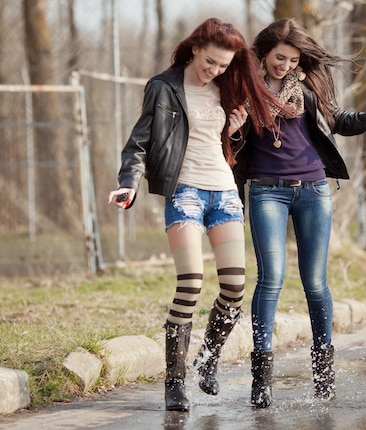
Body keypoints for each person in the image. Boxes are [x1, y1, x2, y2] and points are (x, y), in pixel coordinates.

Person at [107, 18, 279, 412]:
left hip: (224, 193)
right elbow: (139, 142)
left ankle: (206, 359)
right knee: (191, 283)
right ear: (196, 47)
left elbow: (221, 144)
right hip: (185, 193)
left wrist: (234, 131)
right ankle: (175, 383)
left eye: (223, 65)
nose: (215, 70)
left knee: (235, 287)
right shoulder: (164, 87)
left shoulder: (225, 89)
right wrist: (128, 183)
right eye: (211, 62)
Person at [233, 18, 366, 408]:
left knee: (315, 282)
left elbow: (338, 121)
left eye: (293, 59)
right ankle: (262, 381)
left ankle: (323, 374)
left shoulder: (308, 85)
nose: (286, 65)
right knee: (271, 280)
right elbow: (229, 133)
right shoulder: (243, 87)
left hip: (313, 190)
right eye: (280, 58)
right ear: (264, 52)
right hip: (265, 192)